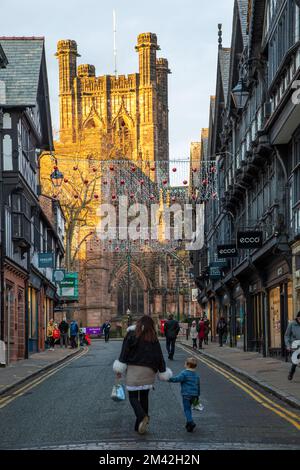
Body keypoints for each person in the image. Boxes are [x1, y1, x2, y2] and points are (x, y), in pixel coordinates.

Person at [113, 315, 172, 435]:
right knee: (144, 397)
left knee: (133, 397)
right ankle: (139, 425)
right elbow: (159, 356)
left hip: (134, 370)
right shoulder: (153, 337)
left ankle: (142, 416)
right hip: (149, 372)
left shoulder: (131, 335)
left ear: (139, 323)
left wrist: (119, 369)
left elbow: (124, 352)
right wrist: (162, 370)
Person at [168, 357, 200, 432]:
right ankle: (188, 424)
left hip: (186, 395)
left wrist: (168, 379)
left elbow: (177, 379)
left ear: (188, 365)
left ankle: (190, 422)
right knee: (189, 409)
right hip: (194, 395)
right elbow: (198, 386)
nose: (184, 363)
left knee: (187, 409)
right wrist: (197, 397)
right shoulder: (196, 375)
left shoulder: (184, 373)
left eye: (185, 363)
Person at [284, 311, 300, 381]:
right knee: (295, 361)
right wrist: (288, 345)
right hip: (295, 346)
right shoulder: (292, 324)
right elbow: (286, 336)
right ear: (298, 318)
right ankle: (291, 373)